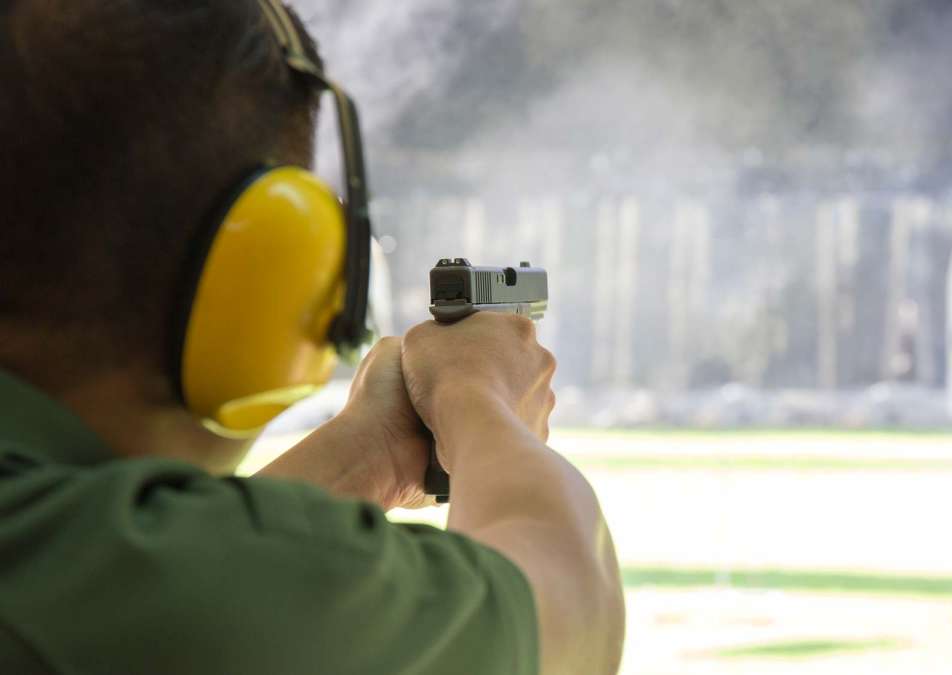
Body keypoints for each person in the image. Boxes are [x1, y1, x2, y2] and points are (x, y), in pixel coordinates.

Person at [0, 2, 624, 674]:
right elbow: (574, 611)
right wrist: (481, 399)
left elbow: (173, 572)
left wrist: (369, 454)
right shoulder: (123, 579)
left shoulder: (56, 550)